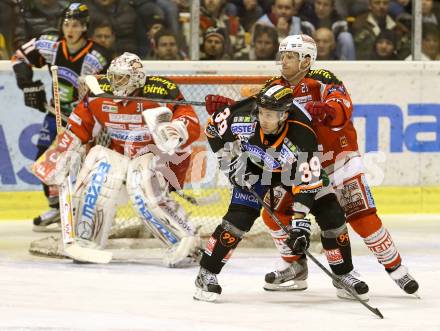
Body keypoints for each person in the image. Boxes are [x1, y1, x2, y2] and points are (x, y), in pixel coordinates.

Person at [261, 34, 418, 295]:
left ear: (306, 60)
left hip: (338, 160)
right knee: (272, 212)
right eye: (283, 55)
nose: (284, 61)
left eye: (290, 56)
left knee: (362, 215)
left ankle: (396, 268)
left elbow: (342, 105)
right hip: (300, 165)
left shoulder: (324, 79)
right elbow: (259, 114)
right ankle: (295, 267)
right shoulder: (274, 85)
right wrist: (231, 111)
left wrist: (329, 111)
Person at [194, 84, 370, 302]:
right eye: (261, 112)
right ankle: (206, 274)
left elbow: (306, 185)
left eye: (270, 115)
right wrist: (227, 160)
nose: (263, 119)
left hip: (291, 172)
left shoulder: (303, 135)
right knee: (238, 219)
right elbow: (212, 127)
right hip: (254, 169)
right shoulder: (242, 116)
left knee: (331, 212)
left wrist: (299, 224)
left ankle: (343, 275)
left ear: (285, 115)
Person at [32, 52, 202, 267]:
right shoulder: (98, 94)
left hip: (159, 163)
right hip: (123, 160)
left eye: (121, 78)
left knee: (140, 177)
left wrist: (175, 129)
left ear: (137, 79)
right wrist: (57, 157)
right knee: (98, 159)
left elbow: (190, 121)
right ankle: (87, 239)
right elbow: (77, 128)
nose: (114, 83)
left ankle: (186, 240)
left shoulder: (161, 91)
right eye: (112, 76)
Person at [11, 2, 111, 232]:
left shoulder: (97, 57)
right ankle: (57, 208)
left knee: (84, 162)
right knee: (45, 155)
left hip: (87, 119)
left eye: (76, 25)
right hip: (56, 113)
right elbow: (19, 57)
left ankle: (87, 209)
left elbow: (108, 92)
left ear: (85, 27)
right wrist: (28, 85)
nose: (70, 29)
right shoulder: (50, 45)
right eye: (67, 24)